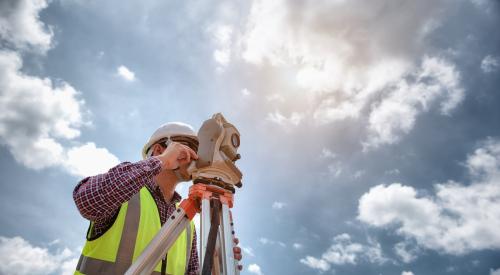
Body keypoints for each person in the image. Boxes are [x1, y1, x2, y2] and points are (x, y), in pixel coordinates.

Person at [73, 122, 242, 275]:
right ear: (160, 149)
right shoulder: (125, 192)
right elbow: (87, 201)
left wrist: (214, 265)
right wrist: (162, 161)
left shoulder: (187, 222)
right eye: (190, 148)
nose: (196, 157)